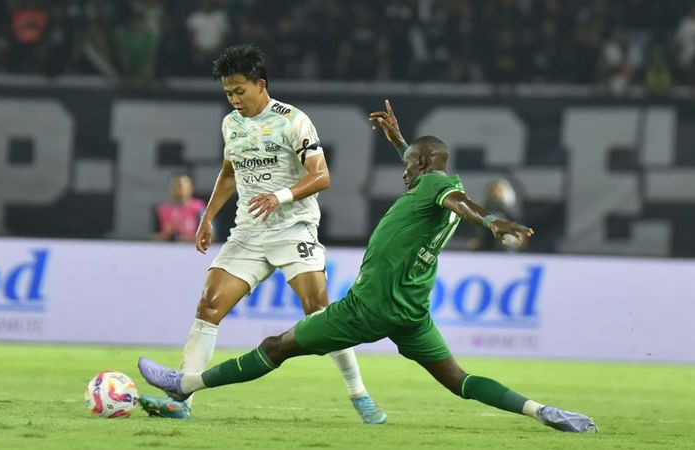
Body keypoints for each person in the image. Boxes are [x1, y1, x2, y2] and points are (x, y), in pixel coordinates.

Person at [136, 99, 598, 433]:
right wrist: (400, 140)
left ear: (422, 165)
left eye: (408, 163)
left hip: (367, 309)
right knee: (458, 380)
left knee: (277, 346)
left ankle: (186, 384)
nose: (403, 171)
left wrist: (494, 221)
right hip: (412, 313)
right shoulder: (428, 183)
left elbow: (460, 201)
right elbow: (433, 179)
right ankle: (541, 411)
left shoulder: (437, 186)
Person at [139, 44, 385, 424]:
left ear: (261, 84)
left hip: (293, 228)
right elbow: (229, 172)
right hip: (249, 233)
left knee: (319, 311)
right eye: (227, 93)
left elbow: (322, 176)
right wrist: (207, 217)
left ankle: (359, 394)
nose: (234, 99)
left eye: (239, 90)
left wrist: (280, 196)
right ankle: (181, 401)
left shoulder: (293, 120)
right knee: (209, 306)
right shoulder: (231, 124)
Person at [466, 178, 522, 252]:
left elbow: (518, 224)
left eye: (498, 191)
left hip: (507, 242)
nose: (495, 194)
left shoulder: (510, 208)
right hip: (488, 241)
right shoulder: (486, 207)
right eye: (492, 191)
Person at [153, 174, 206, 242]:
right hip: (167, 249)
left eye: (180, 186)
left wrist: (182, 238)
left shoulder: (198, 208)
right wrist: (169, 237)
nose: (177, 190)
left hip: (192, 249)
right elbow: (154, 236)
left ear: (190, 188)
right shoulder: (162, 210)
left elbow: (208, 236)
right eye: (174, 187)